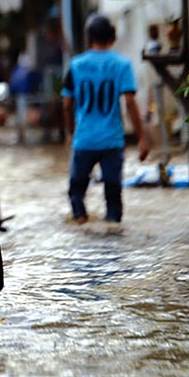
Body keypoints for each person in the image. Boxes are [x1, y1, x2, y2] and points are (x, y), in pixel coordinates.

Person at [61, 14, 150, 225]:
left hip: (84, 140)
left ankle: (82, 226)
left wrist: (71, 133)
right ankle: (112, 242)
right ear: (112, 38)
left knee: (76, 194)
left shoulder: (75, 65)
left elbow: (66, 105)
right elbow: (130, 102)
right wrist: (142, 137)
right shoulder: (122, 64)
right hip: (112, 141)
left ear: (89, 38)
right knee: (113, 199)